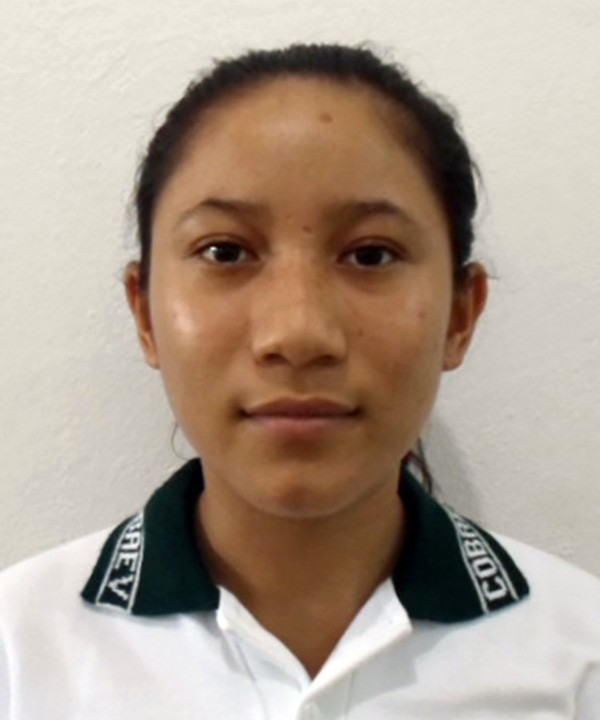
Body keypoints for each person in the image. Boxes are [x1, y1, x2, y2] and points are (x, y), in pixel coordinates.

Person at [0, 43, 598, 719]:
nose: (298, 333)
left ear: (461, 315)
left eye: (371, 255)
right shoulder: (20, 652)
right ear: (145, 315)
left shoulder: (578, 657)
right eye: (225, 251)